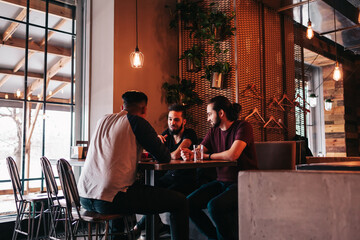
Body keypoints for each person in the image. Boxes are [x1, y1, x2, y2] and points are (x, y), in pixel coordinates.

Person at [78, 91, 189, 240]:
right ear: (144, 109)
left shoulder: (102, 120)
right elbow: (164, 157)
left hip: (84, 196)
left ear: (122, 107)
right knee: (180, 201)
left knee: (122, 189)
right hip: (110, 199)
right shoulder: (137, 121)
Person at [181, 96, 258, 240]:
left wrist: (207, 156)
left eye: (210, 114)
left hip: (245, 183)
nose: (208, 118)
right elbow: (199, 152)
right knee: (187, 204)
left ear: (221, 113)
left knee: (214, 206)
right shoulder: (213, 132)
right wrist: (190, 154)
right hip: (222, 182)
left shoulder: (243, 127)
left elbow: (232, 155)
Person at [134, 104, 197, 237]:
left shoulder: (189, 134)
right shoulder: (165, 134)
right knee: (149, 190)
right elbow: (151, 154)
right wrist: (156, 142)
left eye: (176, 120)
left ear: (184, 121)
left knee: (159, 193)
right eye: (169, 119)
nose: (172, 123)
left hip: (185, 179)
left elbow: (175, 155)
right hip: (169, 177)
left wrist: (160, 148)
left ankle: (137, 228)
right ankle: (156, 226)